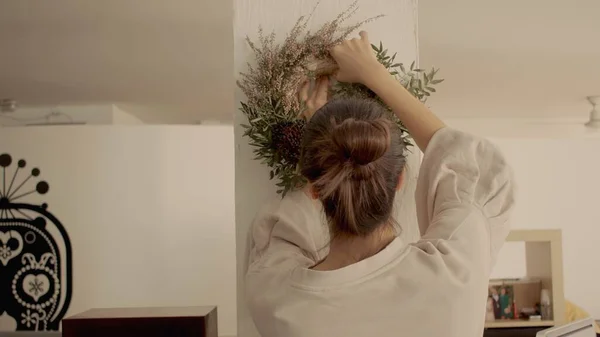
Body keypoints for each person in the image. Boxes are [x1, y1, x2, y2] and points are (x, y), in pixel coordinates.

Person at [245, 31, 515, 337]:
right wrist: (374, 74)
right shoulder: (455, 276)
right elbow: (479, 172)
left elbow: (280, 233)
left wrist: (324, 144)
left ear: (314, 190)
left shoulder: (279, 301)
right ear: (401, 179)